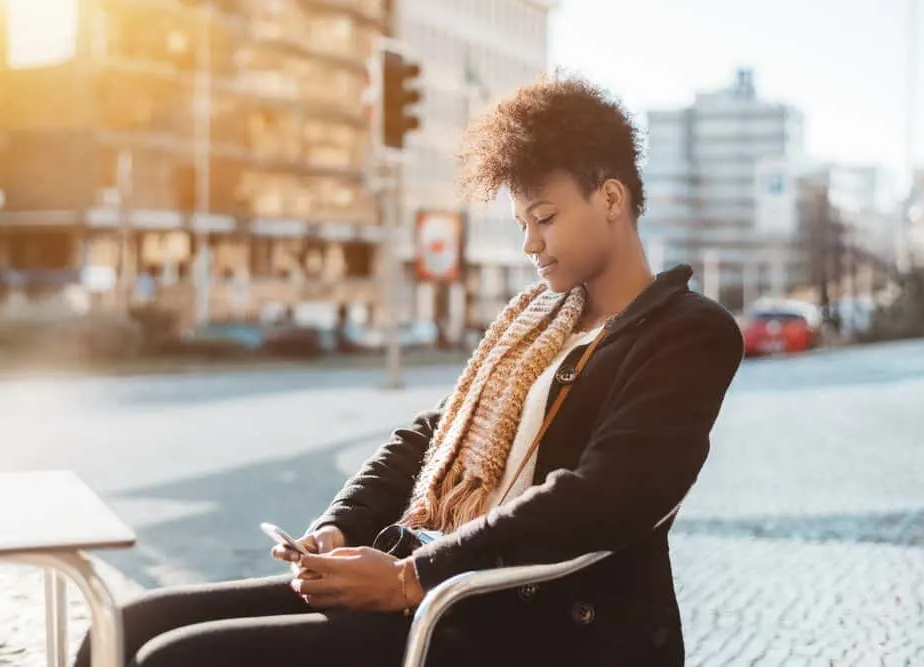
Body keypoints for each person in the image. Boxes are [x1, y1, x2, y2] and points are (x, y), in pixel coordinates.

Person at [74, 72, 744, 667]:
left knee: (175, 658)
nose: (529, 243)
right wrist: (340, 525)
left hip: (521, 622)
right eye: (521, 221)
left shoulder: (688, 332)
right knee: (130, 626)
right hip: (432, 583)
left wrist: (411, 577)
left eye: (544, 218)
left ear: (611, 198)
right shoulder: (539, 322)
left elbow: (606, 494)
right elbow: (432, 432)